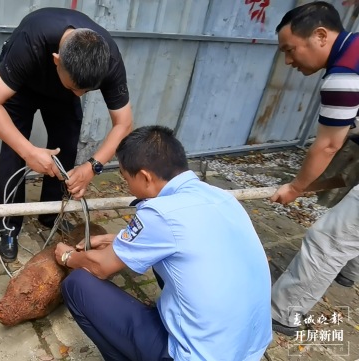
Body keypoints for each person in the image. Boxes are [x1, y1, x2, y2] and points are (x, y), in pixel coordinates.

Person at [54, 126, 273, 361]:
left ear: (145, 177)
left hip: (196, 356)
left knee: (77, 283)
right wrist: (118, 241)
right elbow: (183, 240)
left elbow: (100, 267)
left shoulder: (159, 213)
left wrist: (67, 257)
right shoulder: (221, 197)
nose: (127, 186)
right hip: (248, 349)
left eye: (126, 178)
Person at [0, 7, 133, 263]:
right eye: (77, 89)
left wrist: (93, 166)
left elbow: (124, 124)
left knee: (67, 146)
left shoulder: (109, 60)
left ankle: (51, 215)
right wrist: (29, 152)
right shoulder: (30, 41)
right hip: (21, 87)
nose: (80, 96)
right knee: (14, 153)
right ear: (57, 59)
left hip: (62, 92)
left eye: (87, 91)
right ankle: (7, 225)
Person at [270, 2, 359, 336]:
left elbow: (327, 145)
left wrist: (295, 188)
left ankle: (281, 313)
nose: (289, 61)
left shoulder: (344, 76)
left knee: (328, 238)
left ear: (321, 36)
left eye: (290, 51)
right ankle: (350, 271)